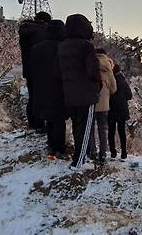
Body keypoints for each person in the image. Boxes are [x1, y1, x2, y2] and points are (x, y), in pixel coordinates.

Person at [58, 14, 101, 170]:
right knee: (86, 128)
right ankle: (79, 161)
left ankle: (80, 156)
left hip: (69, 94)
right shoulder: (86, 46)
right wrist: (98, 86)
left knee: (77, 127)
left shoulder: (62, 46)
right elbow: (93, 71)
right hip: (86, 94)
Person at [30, 20, 69, 160]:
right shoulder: (63, 47)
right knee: (59, 120)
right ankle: (59, 149)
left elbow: (32, 71)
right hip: (59, 88)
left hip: (42, 88)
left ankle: (51, 147)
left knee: (50, 120)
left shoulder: (36, 48)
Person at [19, 11, 50, 130]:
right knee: (41, 96)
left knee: (32, 96)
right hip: (41, 70)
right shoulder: (42, 32)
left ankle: (33, 123)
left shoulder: (26, 30)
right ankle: (39, 123)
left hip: (28, 69)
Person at [87, 48, 116, 164]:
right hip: (104, 104)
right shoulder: (108, 67)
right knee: (103, 129)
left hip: (91, 101)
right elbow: (114, 88)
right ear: (105, 55)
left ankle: (92, 152)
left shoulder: (90, 63)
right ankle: (103, 153)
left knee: (90, 129)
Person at [108, 62, 132, 161]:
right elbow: (129, 95)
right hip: (122, 110)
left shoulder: (108, 80)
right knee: (121, 132)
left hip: (110, 110)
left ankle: (113, 153)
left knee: (111, 131)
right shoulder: (122, 81)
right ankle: (123, 153)